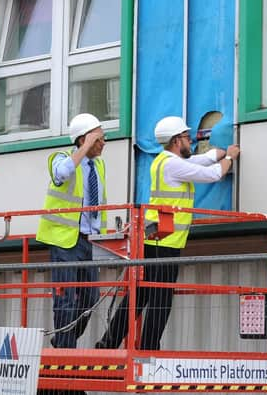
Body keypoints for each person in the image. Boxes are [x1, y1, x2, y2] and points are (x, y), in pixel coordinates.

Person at [96, 115, 239, 350]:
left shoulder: (163, 160)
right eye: (186, 137)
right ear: (175, 140)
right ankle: (149, 346)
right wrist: (231, 157)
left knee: (139, 296)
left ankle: (108, 343)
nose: (190, 141)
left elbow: (200, 159)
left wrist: (221, 152)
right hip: (164, 242)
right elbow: (212, 174)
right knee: (161, 298)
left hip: (154, 240)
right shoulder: (173, 164)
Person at [36, 113, 108, 348]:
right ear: (82, 140)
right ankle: (66, 353)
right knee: (65, 299)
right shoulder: (60, 158)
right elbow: (62, 174)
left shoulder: (99, 165)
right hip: (65, 241)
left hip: (90, 240)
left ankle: (63, 341)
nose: (103, 142)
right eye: (98, 138)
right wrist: (86, 144)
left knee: (90, 299)